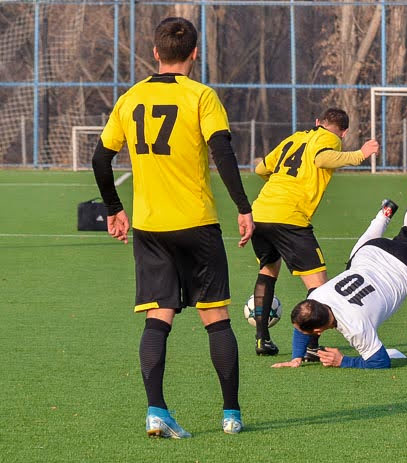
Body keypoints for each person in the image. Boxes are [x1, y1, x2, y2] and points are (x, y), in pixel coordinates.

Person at [91, 17, 253, 438]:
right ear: (194, 54)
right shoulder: (202, 95)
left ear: (156, 52)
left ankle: (156, 410)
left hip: (149, 227)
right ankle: (231, 414)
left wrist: (114, 208)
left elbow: (100, 158)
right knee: (216, 318)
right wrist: (243, 206)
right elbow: (223, 153)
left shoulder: (130, 98)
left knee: (157, 319)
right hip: (196, 223)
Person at [249, 109, 378, 357]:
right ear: (343, 131)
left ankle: (262, 339)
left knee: (268, 271)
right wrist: (360, 154)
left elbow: (260, 169)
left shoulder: (295, 137)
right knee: (319, 286)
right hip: (289, 217)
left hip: (261, 212)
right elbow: (321, 159)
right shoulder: (329, 138)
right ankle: (310, 346)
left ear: (317, 122)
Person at [270, 196, 407, 369]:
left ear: (318, 331)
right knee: (354, 261)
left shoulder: (356, 328)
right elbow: (305, 317)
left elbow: (381, 362)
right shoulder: (317, 295)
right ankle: (399, 204)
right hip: (373, 250)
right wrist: (296, 357)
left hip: (404, 266)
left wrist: (342, 361)